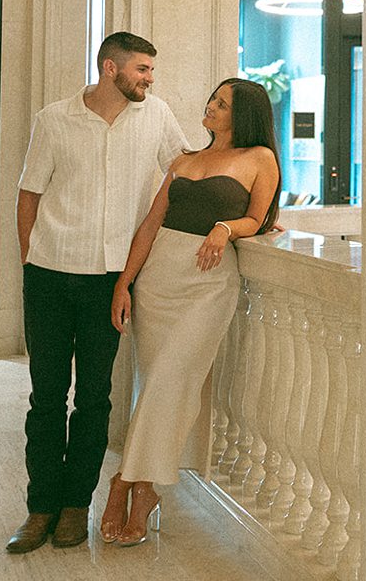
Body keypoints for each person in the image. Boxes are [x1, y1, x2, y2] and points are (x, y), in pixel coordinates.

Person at [5, 32, 189, 554]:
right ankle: (39, 509)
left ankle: (73, 509)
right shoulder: (55, 118)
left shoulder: (156, 116)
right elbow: (29, 192)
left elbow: (186, 169)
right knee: (45, 397)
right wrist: (29, 261)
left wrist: (247, 205)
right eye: (142, 70)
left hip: (110, 282)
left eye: (151, 70)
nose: (150, 79)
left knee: (93, 399)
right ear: (111, 68)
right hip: (47, 274)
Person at [101, 77, 282, 546]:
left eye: (222, 104)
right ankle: (146, 489)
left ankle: (123, 480)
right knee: (158, 384)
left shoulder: (259, 159)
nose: (211, 106)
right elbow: (151, 223)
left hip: (207, 283)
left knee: (170, 381)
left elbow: (258, 218)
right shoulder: (184, 160)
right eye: (212, 100)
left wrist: (225, 227)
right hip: (158, 278)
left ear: (242, 116)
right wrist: (125, 282)